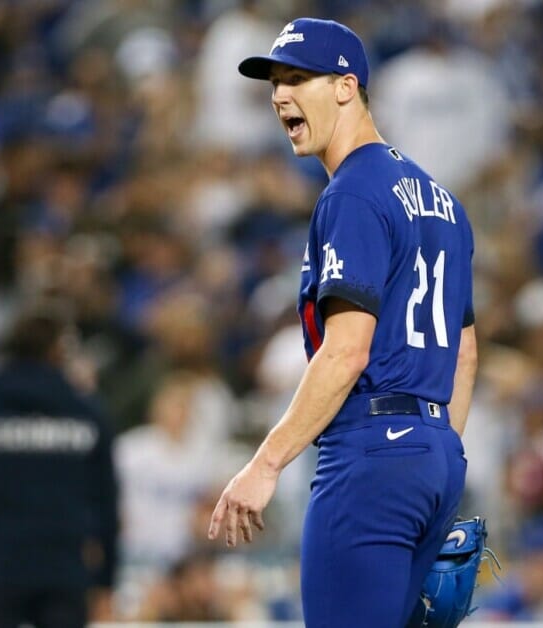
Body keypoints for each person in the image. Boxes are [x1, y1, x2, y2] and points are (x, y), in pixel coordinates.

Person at [207, 17, 477, 628]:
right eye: (275, 83)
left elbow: (347, 351)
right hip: (436, 453)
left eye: (297, 78)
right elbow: (463, 354)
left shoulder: (353, 193)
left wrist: (266, 463)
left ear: (346, 87)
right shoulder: (445, 203)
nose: (280, 95)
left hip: (371, 452)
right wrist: (440, 457)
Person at [0, 303, 119, 627]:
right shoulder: (86, 414)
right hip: (64, 570)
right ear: (59, 351)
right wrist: (105, 579)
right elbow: (106, 501)